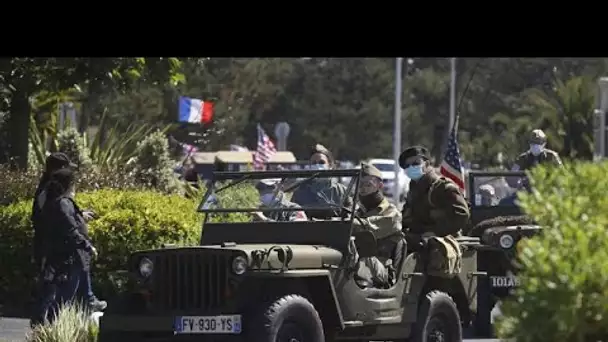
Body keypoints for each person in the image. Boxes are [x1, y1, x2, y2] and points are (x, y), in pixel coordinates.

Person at [38, 168, 99, 323]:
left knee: (65, 296)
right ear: (69, 185)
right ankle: (52, 326)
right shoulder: (63, 203)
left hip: (67, 256)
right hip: (69, 257)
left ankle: (52, 323)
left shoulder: (57, 202)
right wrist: (87, 246)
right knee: (65, 297)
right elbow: (70, 229)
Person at [399, 146, 469, 277]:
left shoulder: (441, 187)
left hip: (441, 240)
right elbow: (406, 217)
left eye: (415, 163)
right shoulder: (414, 189)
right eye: (407, 166)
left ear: (426, 164)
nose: (411, 168)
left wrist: (435, 231)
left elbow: (462, 214)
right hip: (418, 238)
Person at [351, 164, 403, 288]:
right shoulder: (358, 212)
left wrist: (346, 222)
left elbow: (368, 228)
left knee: (364, 254)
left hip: (383, 271)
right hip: (360, 265)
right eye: (360, 185)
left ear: (380, 186)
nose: (363, 189)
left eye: (368, 185)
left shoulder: (391, 213)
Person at [291, 144, 353, 218]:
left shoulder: (342, 191)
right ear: (310, 166)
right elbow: (293, 215)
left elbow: (351, 215)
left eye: (321, 162)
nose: (317, 165)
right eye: (314, 163)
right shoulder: (300, 192)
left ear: (330, 165)